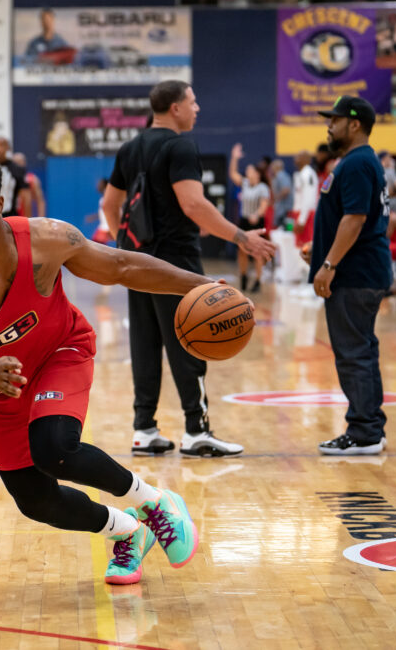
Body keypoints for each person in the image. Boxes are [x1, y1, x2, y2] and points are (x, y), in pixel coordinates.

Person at [0, 150, 206, 585]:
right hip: (3, 382)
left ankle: (156, 503)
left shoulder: (47, 240)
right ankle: (128, 532)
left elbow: (121, 265)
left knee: (54, 447)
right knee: (35, 501)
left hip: (62, 351)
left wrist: (201, 285)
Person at [102, 80, 275, 458]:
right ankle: (197, 430)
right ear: (175, 108)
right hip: (175, 260)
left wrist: (126, 244)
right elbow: (194, 206)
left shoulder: (130, 148)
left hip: (136, 262)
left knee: (144, 343)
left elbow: (109, 203)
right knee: (190, 339)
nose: (197, 109)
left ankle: (144, 429)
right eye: (193, 103)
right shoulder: (180, 145)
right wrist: (241, 237)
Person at [304, 96, 392, 455]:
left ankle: (364, 432)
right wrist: (322, 250)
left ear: (354, 124)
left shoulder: (356, 163)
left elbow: (355, 219)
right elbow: (355, 218)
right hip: (360, 270)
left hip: (354, 275)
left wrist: (329, 264)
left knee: (353, 352)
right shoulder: (359, 161)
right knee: (362, 350)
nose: (329, 125)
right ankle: (370, 427)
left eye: (335, 120)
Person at [229, 143, 271, 292]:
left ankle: (258, 280)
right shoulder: (245, 184)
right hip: (244, 221)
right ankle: (243, 276)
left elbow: (264, 205)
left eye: (250, 170)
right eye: (246, 171)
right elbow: (233, 174)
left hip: (257, 222)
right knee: (242, 250)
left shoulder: (263, 188)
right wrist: (234, 158)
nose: (247, 172)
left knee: (257, 252)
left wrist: (257, 214)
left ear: (257, 174)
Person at [0, 137, 30, 218]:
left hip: (10, 215)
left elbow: (26, 196)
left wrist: (28, 220)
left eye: (1, 145)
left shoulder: (16, 169)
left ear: (8, 148)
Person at [293, 150, 319, 248]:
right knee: (300, 247)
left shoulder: (308, 174)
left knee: (305, 248)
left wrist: (302, 220)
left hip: (306, 216)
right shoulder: (302, 173)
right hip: (301, 214)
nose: (295, 158)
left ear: (306, 159)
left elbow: (309, 198)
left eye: (299, 156)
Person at [12, 152, 46, 217]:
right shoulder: (9, 180)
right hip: (11, 218)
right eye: (15, 163)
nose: (17, 164)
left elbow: (40, 201)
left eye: (19, 162)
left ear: (24, 162)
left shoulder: (32, 179)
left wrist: (41, 218)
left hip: (27, 219)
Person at [270, 158, 293, 230]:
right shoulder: (278, 176)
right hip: (282, 210)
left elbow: (286, 190)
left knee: (286, 231)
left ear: (276, 167)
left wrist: (276, 198)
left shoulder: (281, 176)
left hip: (284, 210)